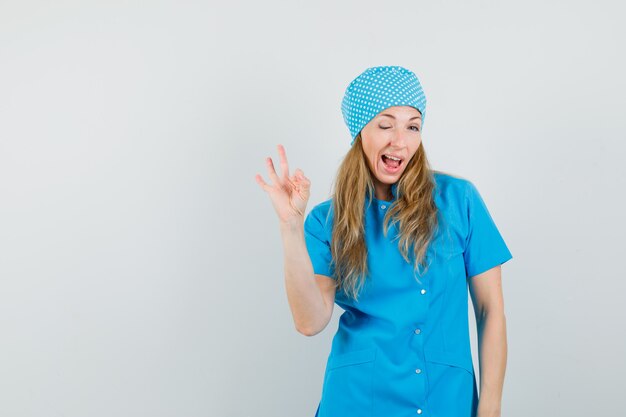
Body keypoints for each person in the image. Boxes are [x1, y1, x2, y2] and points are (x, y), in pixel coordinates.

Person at [255, 65, 513, 417]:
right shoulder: (325, 220)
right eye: (385, 124)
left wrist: (491, 407)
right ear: (360, 131)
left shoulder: (459, 201)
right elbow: (310, 321)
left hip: (444, 398)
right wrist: (290, 227)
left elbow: (490, 310)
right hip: (357, 400)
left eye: (412, 126)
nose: (400, 141)